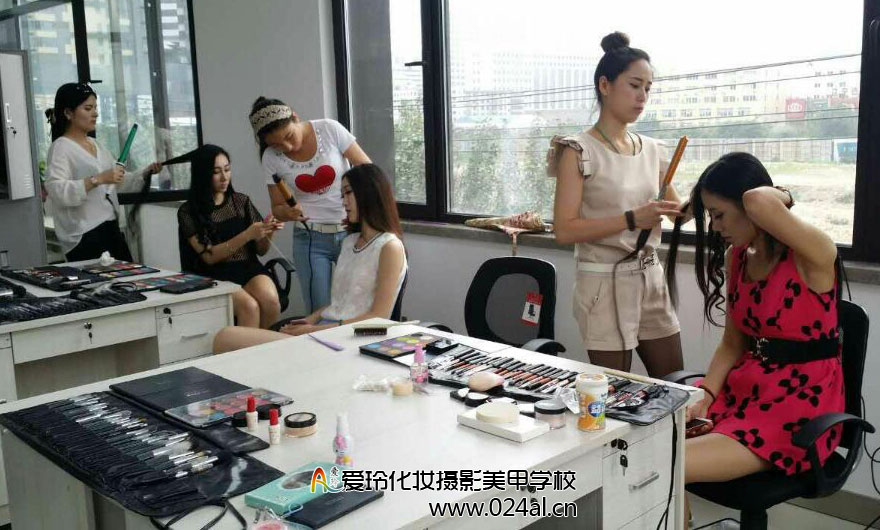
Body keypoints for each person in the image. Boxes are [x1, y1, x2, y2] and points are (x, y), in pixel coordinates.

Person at [665, 152, 844, 526]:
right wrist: (707, 394)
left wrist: (782, 195)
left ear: (751, 208)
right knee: (645, 442)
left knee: (665, 459)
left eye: (720, 215)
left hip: (798, 408)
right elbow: (733, 343)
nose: (715, 227)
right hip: (745, 393)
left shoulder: (813, 254)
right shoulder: (737, 258)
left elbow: (760, 199)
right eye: (710, 216)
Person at [549, 32, 684, 377]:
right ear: (605, 85)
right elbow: (564, 230)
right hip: (602, 282)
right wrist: (632, 219)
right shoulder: (577, 150)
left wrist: (718, 191)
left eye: (648, 88)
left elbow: (678, 212)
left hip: (650, 276)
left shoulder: (653, 150)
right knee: (613, 391)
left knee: (674, 384)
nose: (642, 97)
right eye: (634, 85)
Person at [213, 163, 406, 354]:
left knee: (227, 337)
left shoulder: (390, 247)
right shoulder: (350, 242)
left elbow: (378, 318)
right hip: (325, 331)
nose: (344, 202)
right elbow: (341, 303)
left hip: (347, 340)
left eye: (348, 193)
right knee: (228, 339)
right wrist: (311, 319)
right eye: (342, 195)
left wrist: (314, 330)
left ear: (369, 194)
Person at [249, 96, 372, 314]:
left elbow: (368, 171)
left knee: (356, 305)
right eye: (276, 145)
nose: (287, 147)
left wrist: (361, 211)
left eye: (289, 136)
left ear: (295, 117)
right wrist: (288, 213)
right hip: (310, 238)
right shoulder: (270, 158)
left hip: (350, 231)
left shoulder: (329, 129)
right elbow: (277, 208)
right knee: (318, 311)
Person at [44, 83, 161, 261]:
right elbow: (57, 190)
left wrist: (144, 173)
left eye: (95, 108)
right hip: (85, 234)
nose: (95, 113)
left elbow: (116, 181)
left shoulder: (96, 145)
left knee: (129, 276)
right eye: (88, 108)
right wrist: (97, 179)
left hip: (110, 228)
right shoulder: (61, 147)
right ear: (68, 113)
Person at [176, 145, 284, 329]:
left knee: (271, 301)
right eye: (216, 172)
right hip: (213, 275)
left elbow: (261, 250)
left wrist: (269, 230)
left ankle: (268, 346)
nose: (224, 177)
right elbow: (209, 257)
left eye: (227, 169)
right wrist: (247, 234)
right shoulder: (188, 212)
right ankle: (245, 348)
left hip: (247, 267)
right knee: (249, 307)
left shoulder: (241, 202)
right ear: (202, 174)